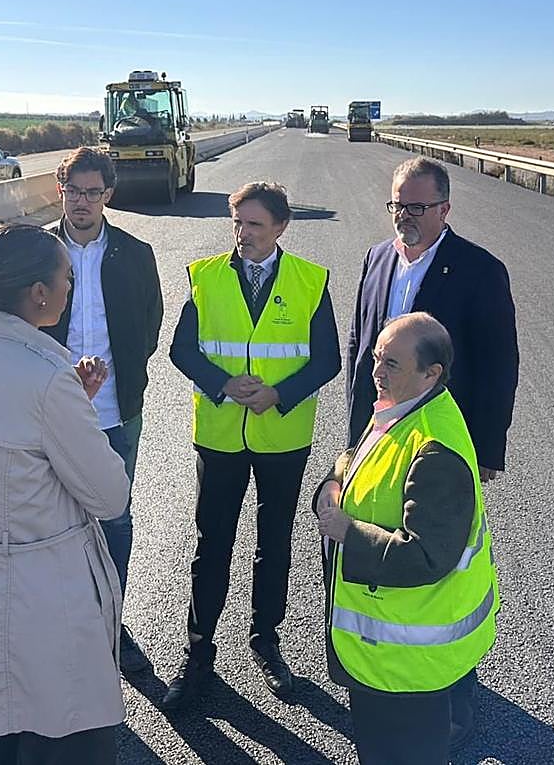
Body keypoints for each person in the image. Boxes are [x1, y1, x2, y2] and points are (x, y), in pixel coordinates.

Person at [0, 223, 130, 764]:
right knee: (57, 733)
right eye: (66, 278)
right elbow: (110, 496)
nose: (70, 289)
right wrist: (76, 407)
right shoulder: (47, 376)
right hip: (42, 588)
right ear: (40, 293)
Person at [347, 155, 517, 743]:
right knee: (383, 542)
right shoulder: (375, 259)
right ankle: (383, 658)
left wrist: (487, 448)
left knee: (437, 566)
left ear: (445, 209)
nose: (405, 217)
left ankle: (452, 703)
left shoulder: (479, 270)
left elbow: (499, 363)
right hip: (380, 429)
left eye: (417, 207)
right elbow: (359, 345)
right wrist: (358, 432)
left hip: (441, 440)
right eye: (397, 205)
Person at [163, 181, 341, 710]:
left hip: (282, 436)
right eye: (237, 222)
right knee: (211, 544)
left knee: (274, 544)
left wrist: (279, 394)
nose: (243, 234)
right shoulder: (205, 276)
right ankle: (198, 654)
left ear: (281, 227)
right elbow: (182, 348)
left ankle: (266, 641)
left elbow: (327, 358)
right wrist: (222, 382)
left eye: (254, 224)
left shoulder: (310, 281)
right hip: (219, 435)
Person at [316, 313, 498, 765]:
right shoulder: (405, 408)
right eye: (376, 358)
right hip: (391, 656)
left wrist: (346, 531)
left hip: (405, 665)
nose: (376, 373)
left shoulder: (436, 450)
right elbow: (366, 457)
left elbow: (425, 556)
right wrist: (335, 483)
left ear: (430, 373)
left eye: (391, 364)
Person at [40, 146, 163, 673]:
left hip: (115, 413)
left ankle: (109, 622)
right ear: (59, 190)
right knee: (48, 518)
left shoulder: (134, 254)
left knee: (113, 515)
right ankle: (55, 624)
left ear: (108, 195)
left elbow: (149, 328)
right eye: (74, 191)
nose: (83, 201)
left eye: (93, 192)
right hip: (45, 413)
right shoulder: (36, 252)